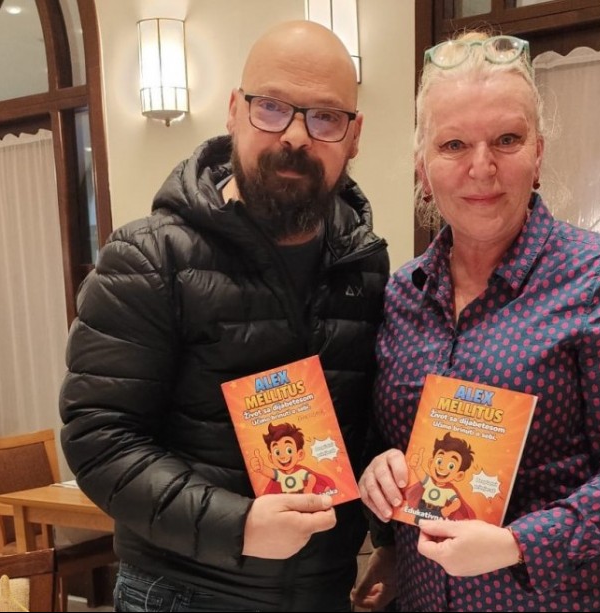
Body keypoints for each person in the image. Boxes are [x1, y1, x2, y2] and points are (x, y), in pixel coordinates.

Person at [59, 20, 389, 612]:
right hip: (183, 594)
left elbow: (365, 425)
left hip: (323, 592)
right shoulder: (149, 258)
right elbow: (99, 440)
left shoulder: (365, 265)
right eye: (272, 107)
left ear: (355, 135)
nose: (295, 136)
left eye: (325, 117)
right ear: (235, 111)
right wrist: (237, 526)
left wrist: (389, 533)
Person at [352, 31, 600, 612]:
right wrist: (382, 473)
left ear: (538, 155)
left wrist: (519, 545)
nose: (481, 167)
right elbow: (395, 439)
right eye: (454, 144)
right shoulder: (403, 295)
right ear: (423, 169)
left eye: (506, 140)